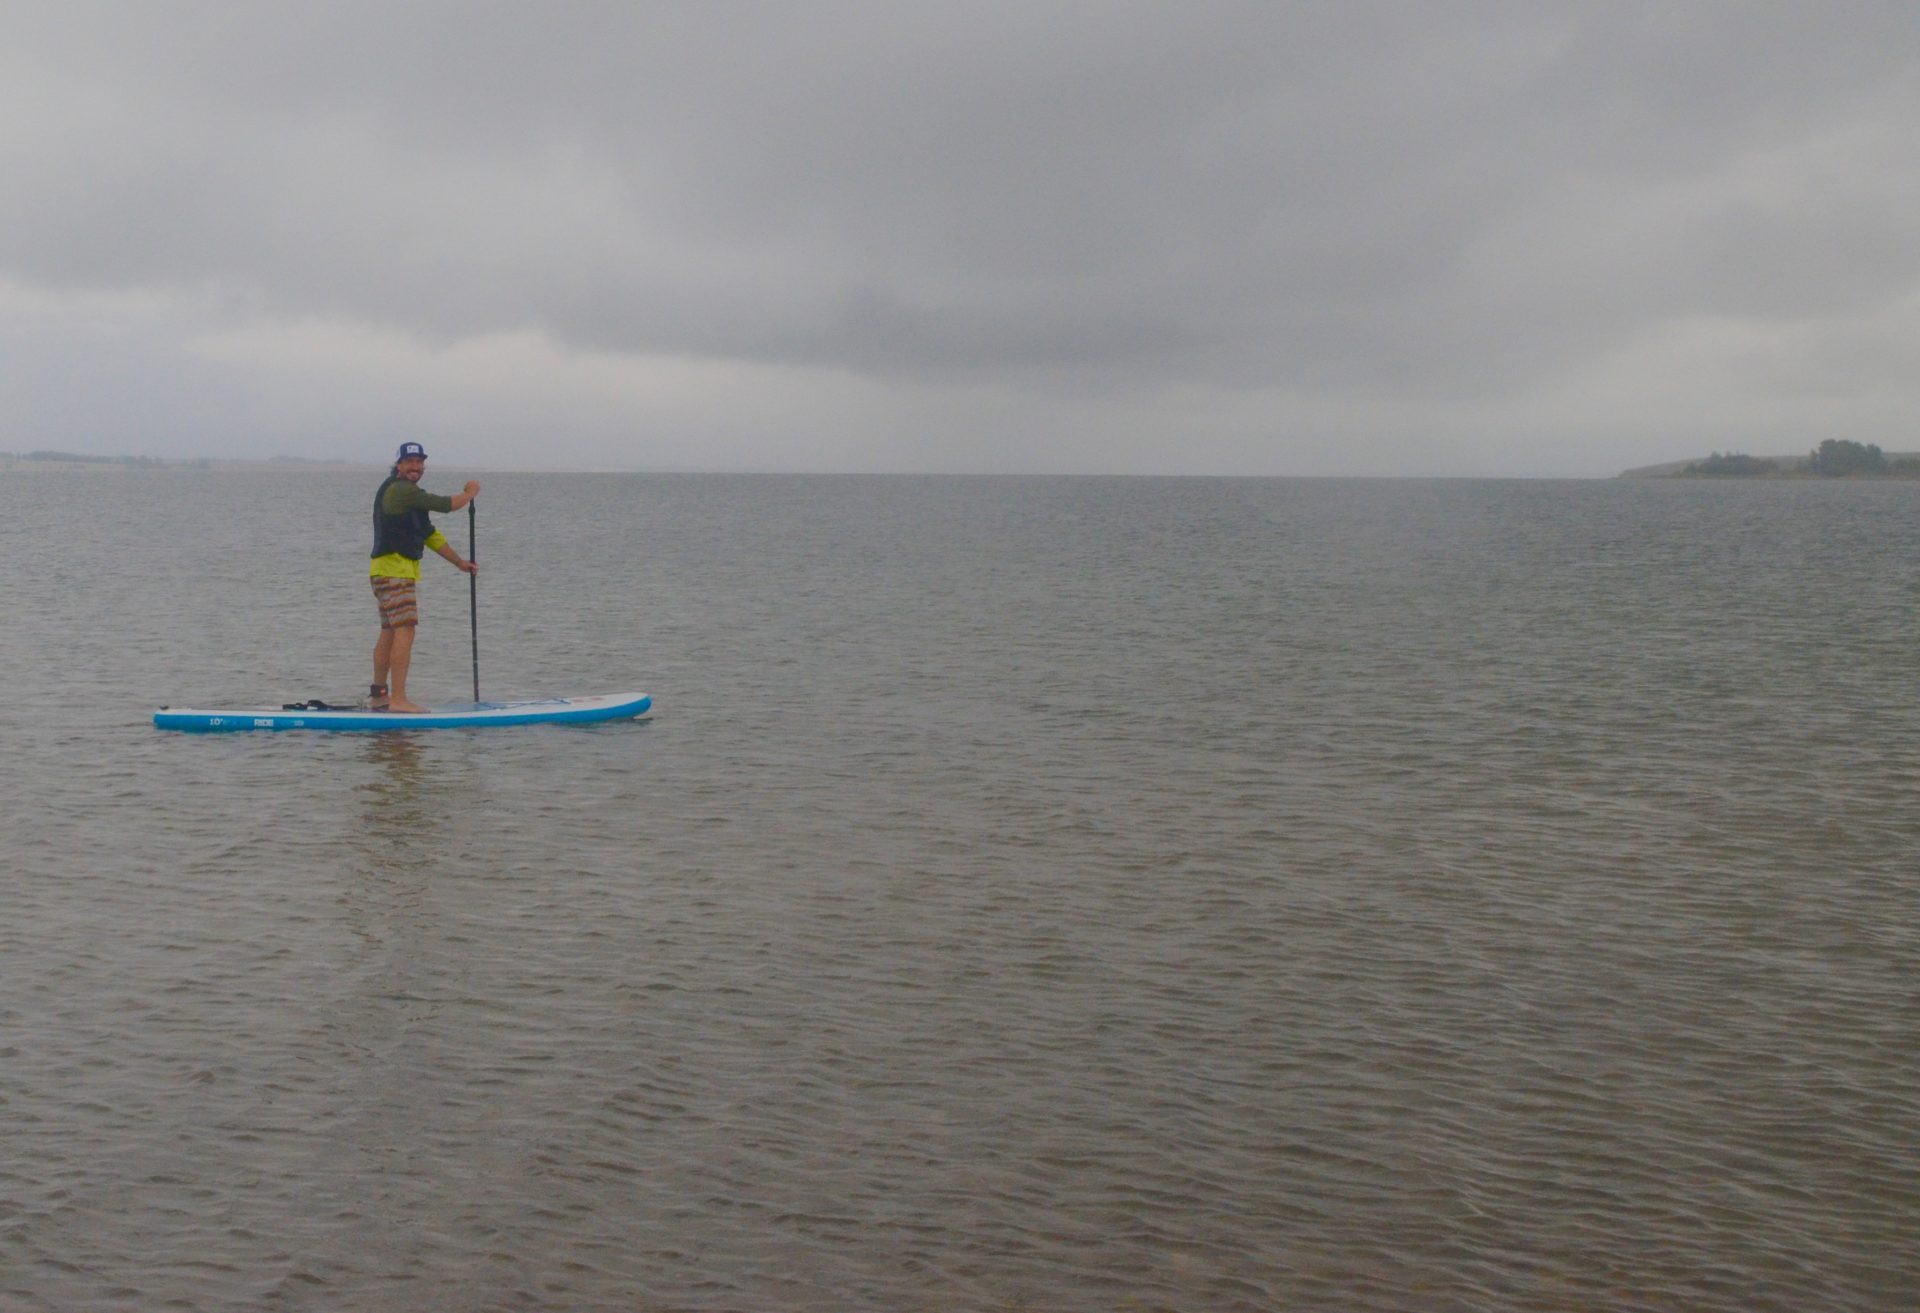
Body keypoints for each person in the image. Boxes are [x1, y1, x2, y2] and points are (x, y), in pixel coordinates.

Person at [369, 442, 479, 712]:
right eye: (410, 462)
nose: (415, 467)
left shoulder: (408, 495)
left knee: (390, 631)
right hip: (394, 572)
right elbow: (446, 504)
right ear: (399, 465)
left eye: (419, 462)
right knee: (405, 630)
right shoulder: (400, 490)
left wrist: (459, 562)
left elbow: (429, 534)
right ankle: (398, 700)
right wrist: (470, 493)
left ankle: (380, 696)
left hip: (386, 572)